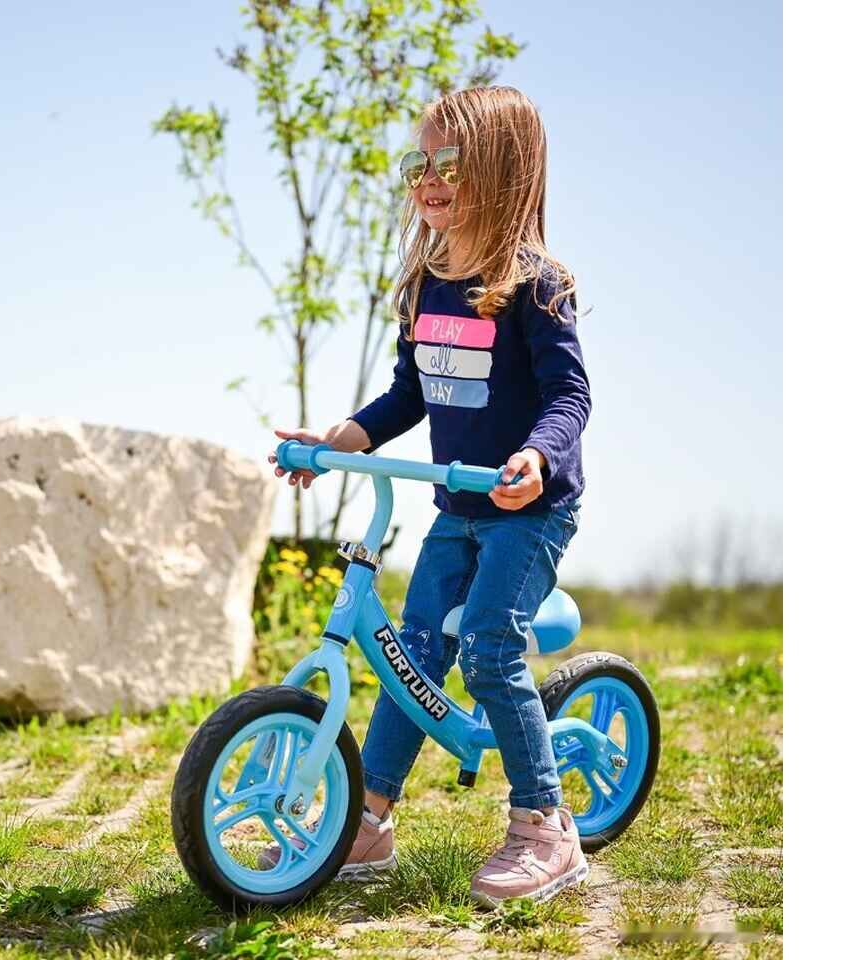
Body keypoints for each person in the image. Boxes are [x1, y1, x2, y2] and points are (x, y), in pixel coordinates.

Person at [263, 86, 592, 906]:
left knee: (486, 646)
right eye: (418, 163)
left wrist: (535, 457)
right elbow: (409, 394)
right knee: (412, 653)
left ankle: (545, 825)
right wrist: (340, 440)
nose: (428, 178)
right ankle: (368, 819)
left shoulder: (537, 285)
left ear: (502, 170)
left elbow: (570, 396)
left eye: (449, 162)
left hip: (528, 509)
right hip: (457, 505)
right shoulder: (425, 283)